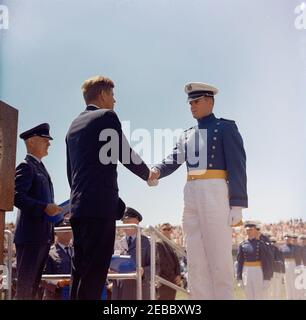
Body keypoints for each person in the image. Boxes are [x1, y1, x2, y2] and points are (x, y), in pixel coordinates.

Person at [150, 82, 248, 299]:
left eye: (196, 102)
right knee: (195, 259)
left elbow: (237, 165)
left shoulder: (225, 128)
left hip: (215, 190)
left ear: (210, 101)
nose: (191, 106)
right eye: (190, 103)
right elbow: (174, 159)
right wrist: (157, 169)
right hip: (191, 191)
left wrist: (238, 203)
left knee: (219, 258)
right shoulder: (187, 134)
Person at [66, 76, 152, 300]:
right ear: (103, 95)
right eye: (113, 95)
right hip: (99, 209)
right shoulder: (107, 116)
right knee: (95, 275)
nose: (115, 100)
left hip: (79, 208)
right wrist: (147, 174)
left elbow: (71, 173)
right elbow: (123, 150)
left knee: (80, 273)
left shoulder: (72, 126)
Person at [14, 123, 63, 299]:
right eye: (45, 140)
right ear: (33, 141)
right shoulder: (26, 166)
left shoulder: (40, 168)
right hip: (30, 238)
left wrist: (60, 214)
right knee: (25, 289)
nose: (49, 144)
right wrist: (44, 207)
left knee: (33, 289)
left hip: (42, 237)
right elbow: (16, 196)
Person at [111, 207, 151, 300]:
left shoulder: (147, 242)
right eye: (124, 221)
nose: (126, 224)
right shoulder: (117, 243)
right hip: (120, 291)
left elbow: (156, 266)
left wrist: (143, 271)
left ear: (137, 221)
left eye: (128, 221)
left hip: (139, 290)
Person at [236, 221, 273, 300]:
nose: (249, 231)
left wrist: (267, 278)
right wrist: (239, 277)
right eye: (247, 230)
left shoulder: (261, 244)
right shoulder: (242, 244)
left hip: (258, 271)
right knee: (248, 295)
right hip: (246, 271)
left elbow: (265, 262)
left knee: (258, 295)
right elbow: (239, 262)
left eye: (251, 230)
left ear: (255, 230)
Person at [42, 217, 73, 300]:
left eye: (70, 227)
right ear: (56, 232)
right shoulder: (49, 253)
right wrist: (58, 283)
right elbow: (43, 277)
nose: (67, 230)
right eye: (63, 227)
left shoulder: (77, 252)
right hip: (56, 296)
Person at [156, 223, 181, 300]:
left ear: (171, 231)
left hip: (173, 280)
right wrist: (173, 277)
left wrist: (178, 275)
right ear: (160, 231)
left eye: (169, 229)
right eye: (164, 229)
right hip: (165, 280)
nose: (167, 231)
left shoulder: (170, 244)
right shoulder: (158, 244)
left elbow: (176, 261)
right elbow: (161, 263)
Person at [279, 234, 299, 299]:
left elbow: (298, 258)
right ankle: (289, 297)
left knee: (293, 282)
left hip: (293, 264)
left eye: (288, 238)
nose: (287, 240)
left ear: (290, 239)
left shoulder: (295, 247)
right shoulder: (281, 247)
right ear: (284, 239)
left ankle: (294, 297)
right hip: (285, 264)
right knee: (287, 282)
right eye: (286, 239)